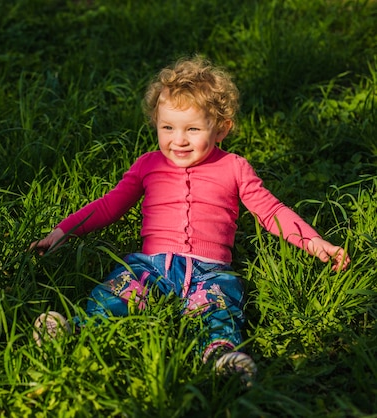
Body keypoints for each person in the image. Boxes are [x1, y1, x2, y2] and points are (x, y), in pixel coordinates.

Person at [30, 55, 350, 384]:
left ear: (222, 128)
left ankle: (221, 356)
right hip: (150, 264)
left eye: (193, 129)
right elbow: (111, 204)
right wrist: (63, 230)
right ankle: (77, 329)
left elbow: (270, 210)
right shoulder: (148, 164)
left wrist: (312, 241)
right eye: (167, 127)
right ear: (156, 123)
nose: (179, 139)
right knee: (118, 291)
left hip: (211, 270)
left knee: (221, 305)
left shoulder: (234, 167)